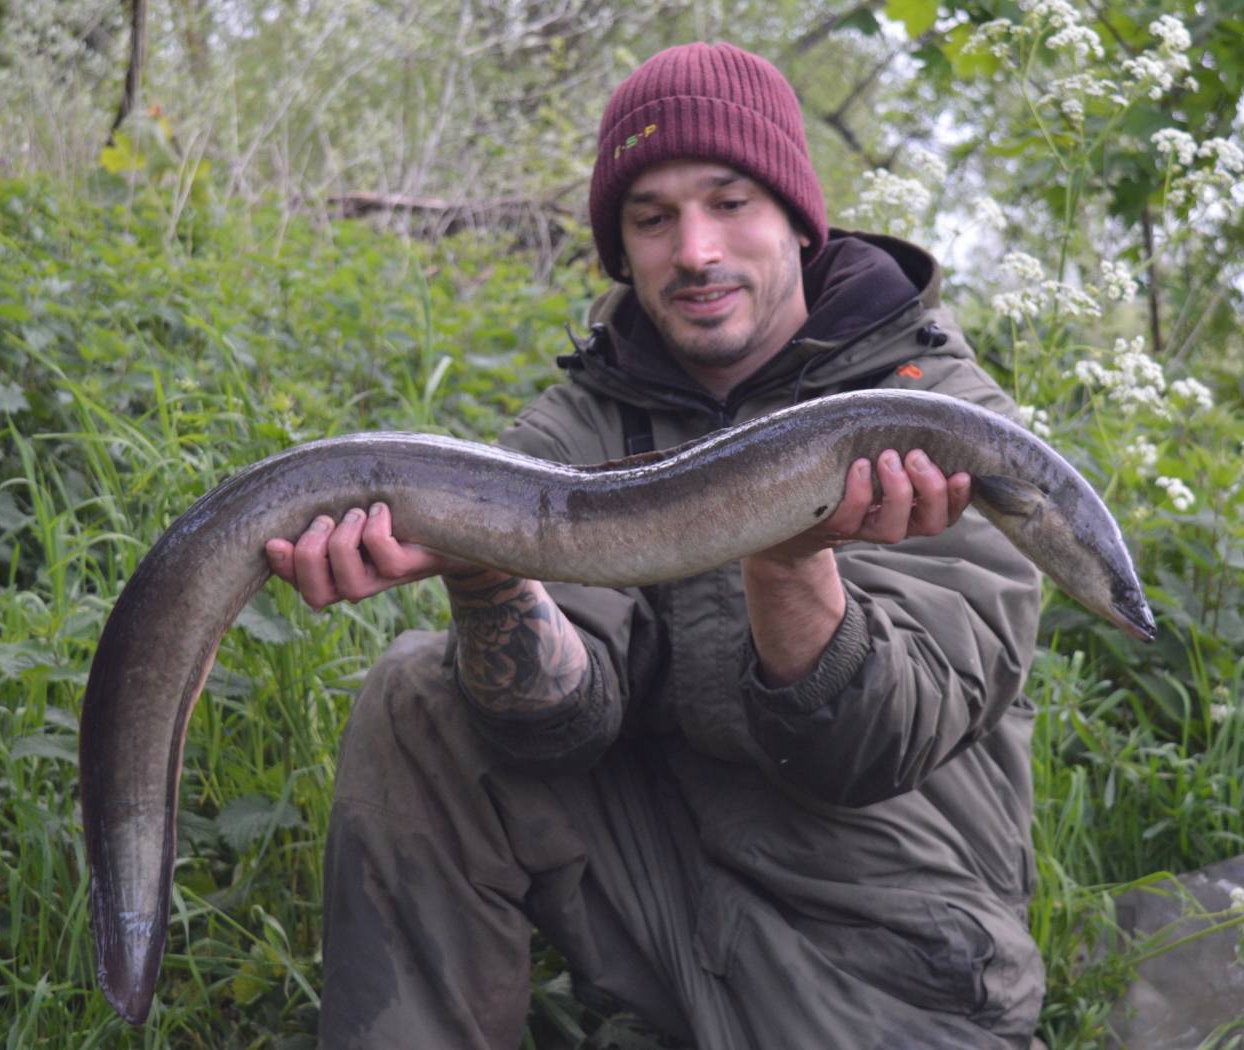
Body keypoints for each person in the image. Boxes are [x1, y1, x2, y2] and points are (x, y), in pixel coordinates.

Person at [266, 42, 1046, 1050]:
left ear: (797, 221)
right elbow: (553, 728)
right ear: (620, 248)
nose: (694, 251)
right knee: (419, 695)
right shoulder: (578, 427)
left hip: (884, 951)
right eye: (651, 217)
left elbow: (866, 750)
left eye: (729, 202)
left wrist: (784, 558)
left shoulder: (931, 417)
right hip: (657, 899)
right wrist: (485, 572)